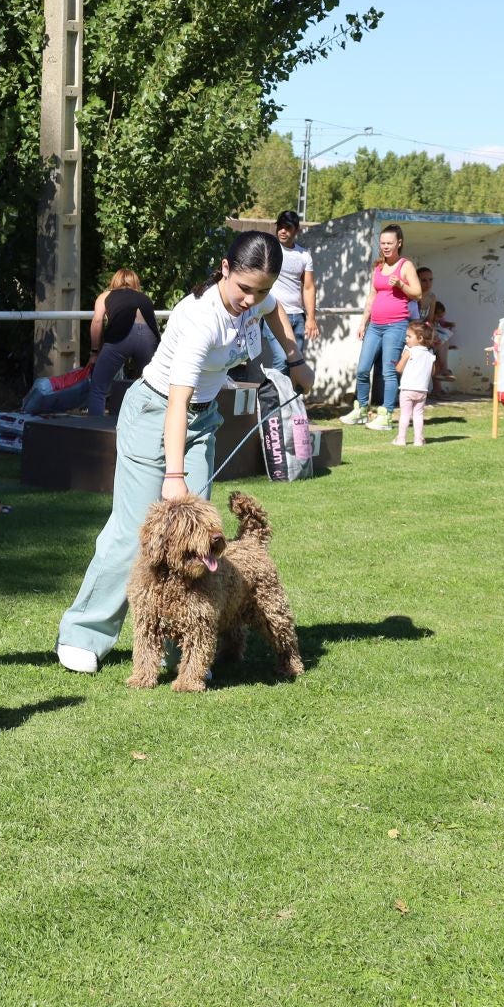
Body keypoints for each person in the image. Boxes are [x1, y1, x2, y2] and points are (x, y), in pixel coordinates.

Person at [55, 231, 313, 674]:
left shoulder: (258, 300)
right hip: (156, 411)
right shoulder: (199, 319)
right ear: (225, 269)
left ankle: (190, 644)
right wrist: (174, 476)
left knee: (199, 536)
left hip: (202, 418)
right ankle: (84, 633)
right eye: (245, 289)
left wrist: (294, 358)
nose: (252, 299)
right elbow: (176, 402)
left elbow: (277, 311)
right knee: (136, 527)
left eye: (262, 289)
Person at [340, 222, 421, 433]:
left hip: (396, 326)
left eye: (389, 243)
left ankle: (386, 415)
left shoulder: (406, 266)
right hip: (375, 326)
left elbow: (418, 293)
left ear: (399, 243)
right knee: (362, 369)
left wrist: (401, 285)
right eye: (383, 243)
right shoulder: (378, 266)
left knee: (388, 372)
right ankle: (361, 410)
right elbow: (372, 295)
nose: (385, 246)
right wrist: (363, 321)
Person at [86, 268, 159, 417]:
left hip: (120, 338)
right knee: (153, 388)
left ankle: (94, 429)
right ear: (135, 282)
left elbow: (98, 321)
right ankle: (149, 429)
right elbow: (154, 325)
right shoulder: (145, 298)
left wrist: (94, 353)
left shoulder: (105, 296)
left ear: (115, 281)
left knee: (98, 388)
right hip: (148, 338)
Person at [262, 210, 317, 373]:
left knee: (296, 364)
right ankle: (272, 398)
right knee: (282, 359)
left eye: (288, 227)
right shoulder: (269, 249)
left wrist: (311, 318)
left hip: (298, 317)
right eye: (280, 227)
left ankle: (289, 398)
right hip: (275, 314)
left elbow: (308, 287)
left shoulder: (304, 255)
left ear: (297, 230)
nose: (283, 231)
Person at [391, 320, 436, 448]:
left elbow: (399, 369)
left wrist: (400, 363)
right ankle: (418, 440)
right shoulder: (430, 354)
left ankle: (401, 439)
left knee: (405, 414)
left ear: (420, 338)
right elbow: (432, 372)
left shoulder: (409, 352)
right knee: (418, 415)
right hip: (422, 390)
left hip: (407, 389)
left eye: (409, 336)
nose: (406, 339)